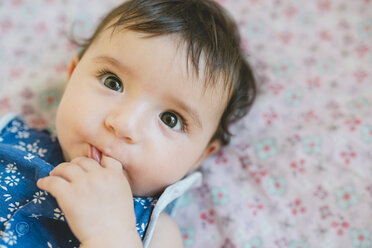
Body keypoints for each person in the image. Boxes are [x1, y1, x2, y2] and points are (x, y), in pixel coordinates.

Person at [0, 0, 256, 247]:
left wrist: (110, 233)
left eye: (170, 119)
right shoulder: (10, 138)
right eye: (113, 82)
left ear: (201, 155)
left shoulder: (157, 233)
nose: (124, 125)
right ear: (72, 76)